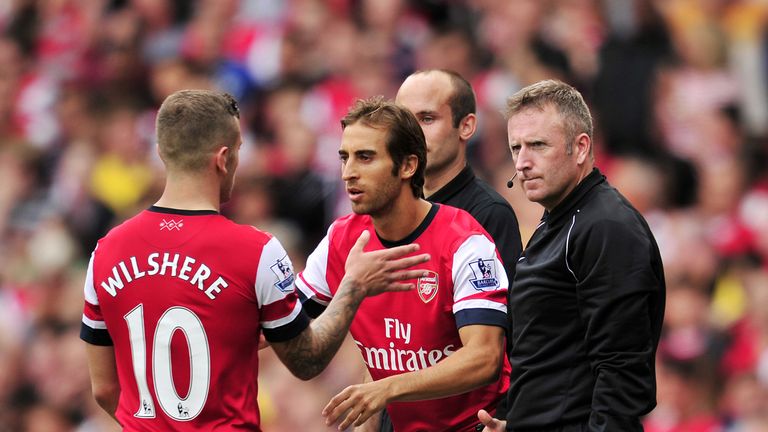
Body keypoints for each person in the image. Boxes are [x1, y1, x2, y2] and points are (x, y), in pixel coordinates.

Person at [79, 89, 430, 431]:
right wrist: (353, 287)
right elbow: (307, 361)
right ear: (223, 158)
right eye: (239, 152)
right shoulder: (256, 250)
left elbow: (105, 389)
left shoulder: (105, 251)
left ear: (161, 152)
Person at [296, 97, 511, 431]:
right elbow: (283, 323)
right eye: (344, 158)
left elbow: (485, 359)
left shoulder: (465, 242)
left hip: (478, 426)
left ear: (408, 166)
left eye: (365, 157)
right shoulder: (342, 239)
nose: (348, 173)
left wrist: (388, 388)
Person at [478, 79, 666, 431]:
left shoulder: (605, 227)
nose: (522, 163)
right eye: (515, 148)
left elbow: (621, 372)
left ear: (580, 148)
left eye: (537, 145)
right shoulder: (561, 220)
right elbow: (550, 357)